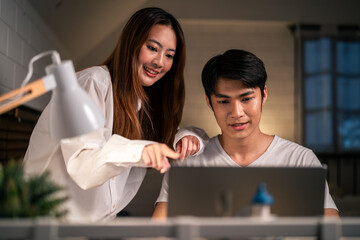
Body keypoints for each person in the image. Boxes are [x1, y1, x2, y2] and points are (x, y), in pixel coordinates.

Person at [24, 7, 205, 222]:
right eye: (152, 48)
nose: (159, 62)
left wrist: (187, 136)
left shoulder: (142, 103)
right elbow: (84, 166)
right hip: (43, 224)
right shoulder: (92, 83)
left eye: (169, 55)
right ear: (132, 43)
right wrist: (141, 150)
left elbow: (159, 139)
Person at [152, 49, 339, 219]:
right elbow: (158, 231)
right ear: (210, 103)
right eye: (224, 101)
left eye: (246, 99)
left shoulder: (299, 160)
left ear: (263, 95)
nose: (237, 113)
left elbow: (332, 229)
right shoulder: (189, 163)